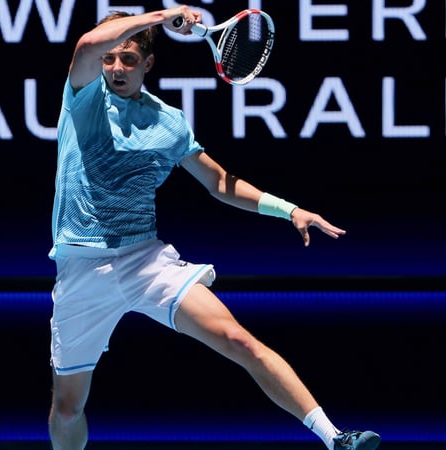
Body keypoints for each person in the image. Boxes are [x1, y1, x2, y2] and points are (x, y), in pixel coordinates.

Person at [46, 5, 381, 450]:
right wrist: (161, 17)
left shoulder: (168, 122)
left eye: (128, 58)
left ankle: (335, 437)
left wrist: (289, 210)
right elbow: (88, 44)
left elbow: (219, 182)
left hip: (145, 261)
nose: (116, 67)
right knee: (68, 408)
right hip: (82, 267)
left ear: (148, 63)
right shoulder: (84, 96)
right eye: (111, 58)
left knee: (239, 340)